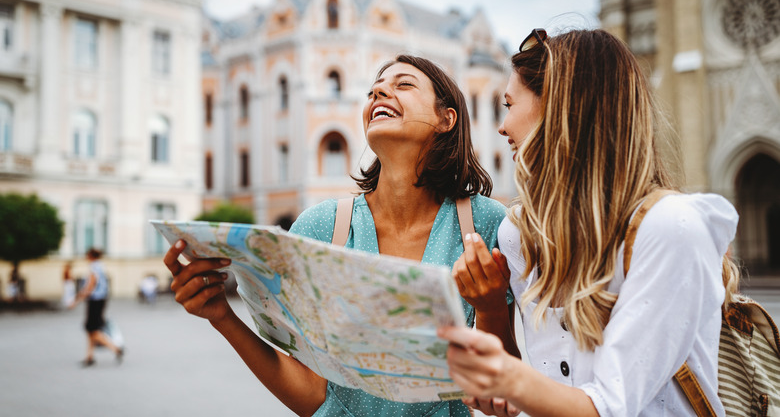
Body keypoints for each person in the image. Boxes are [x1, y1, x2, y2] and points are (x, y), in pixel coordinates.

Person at [163, 54, 510, 417]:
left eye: (402, 84)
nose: (378, 92)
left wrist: (489, 309)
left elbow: (505, 387)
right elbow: (313, 394)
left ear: (446, 119)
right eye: (374, 89)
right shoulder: (320, 226)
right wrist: (222, 316)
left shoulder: (485, 224)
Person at [439, 29, 740, 416]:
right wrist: (491, 307)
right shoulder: (518, 233)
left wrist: (505, 377)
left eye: (510, 105)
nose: (502, 127)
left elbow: (609, 407)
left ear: (561, 109)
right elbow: (522, 399)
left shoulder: (669, 227)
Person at [70, 248, 124, 367]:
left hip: (95, 301)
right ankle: (89, 356)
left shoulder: (94, 267)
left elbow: (90, 286)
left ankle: (116, 349)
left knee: (92, 329)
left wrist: (77, 300)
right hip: (100, 300)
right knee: (91, 329)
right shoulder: (101, 266)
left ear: (90, 256)